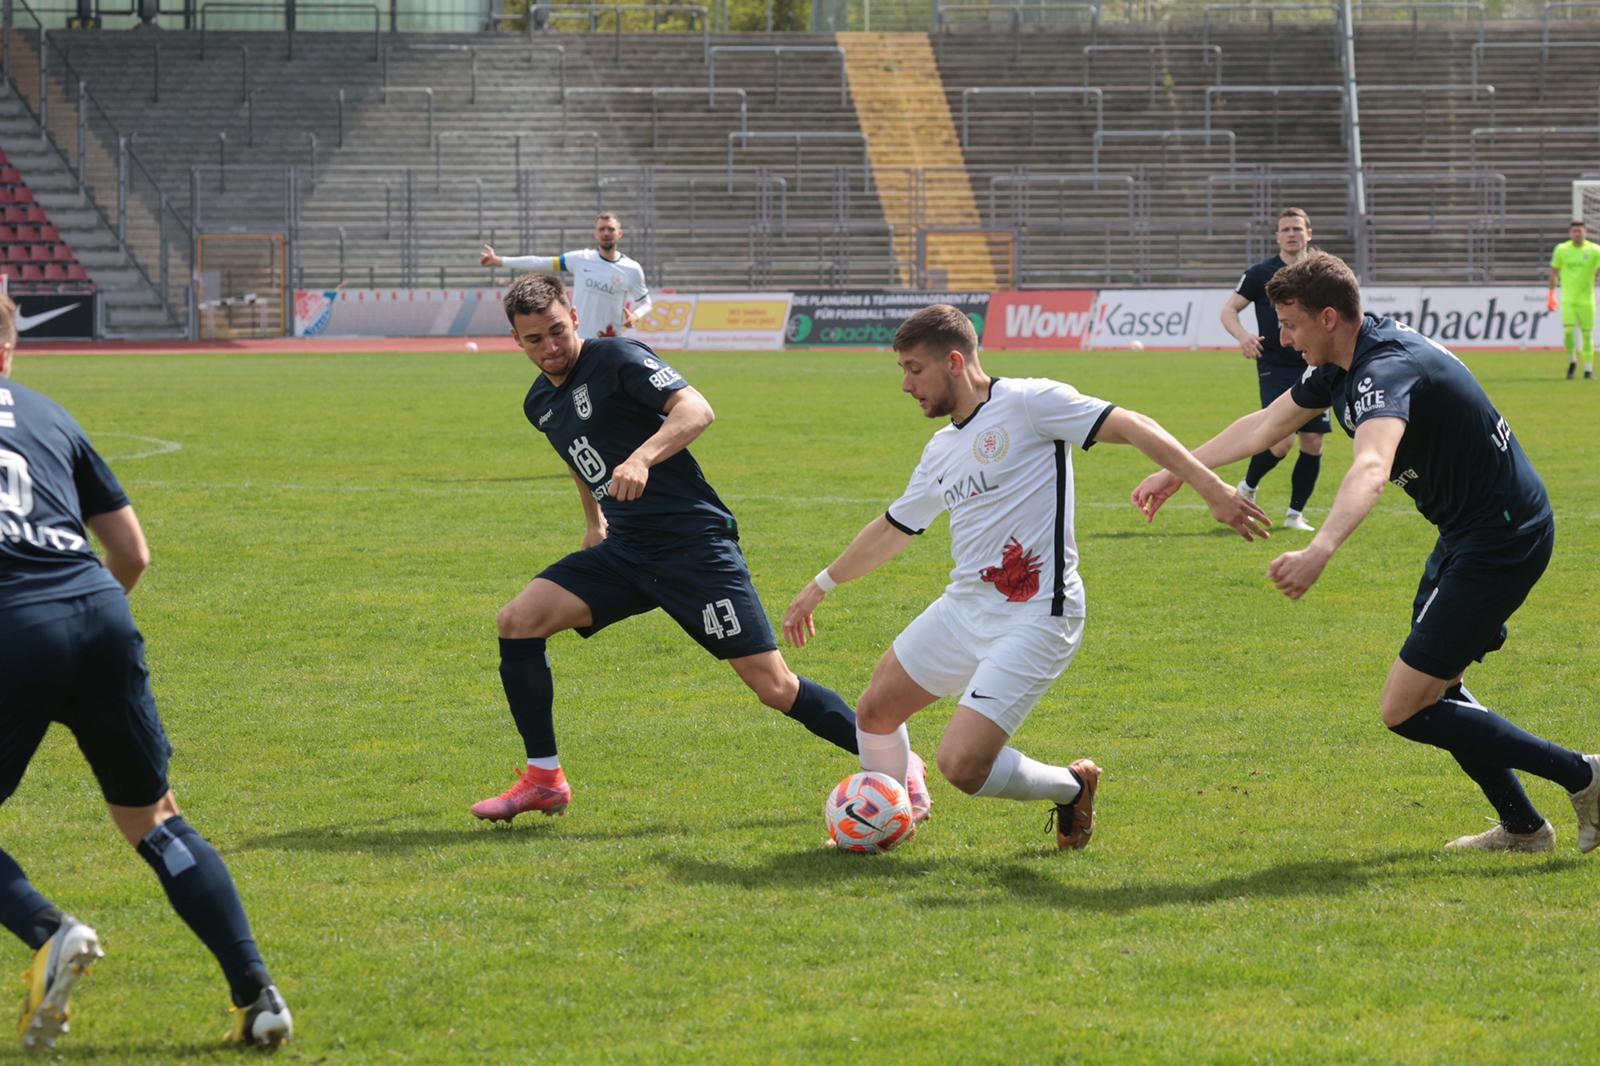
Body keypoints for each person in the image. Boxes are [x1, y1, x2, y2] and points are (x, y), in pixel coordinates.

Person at [1133, 251, 1600, 854]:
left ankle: (1584, 776)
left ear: (1329, 318)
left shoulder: (1385, 370)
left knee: (1405, 708)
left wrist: (1320, 548)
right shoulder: (1341, 361)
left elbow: (1373, 467)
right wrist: (1184, 472)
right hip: (1468, 532)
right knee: (1437, 691)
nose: (1281, 337)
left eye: (1292, 324)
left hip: (1502, 537)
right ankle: (1523, 828)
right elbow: (1264, 426)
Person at [781, 305, 1268, 850]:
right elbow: (896, 527)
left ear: (956, 361)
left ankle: (1071, 787)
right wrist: (821, 584)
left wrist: (1211, 489)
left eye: (914, 369)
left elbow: (1133, 425)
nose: (905, 384)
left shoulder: (1031, 403)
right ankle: (890, 821)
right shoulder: (941, 448)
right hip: (965, 607)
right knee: (875, 710)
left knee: (961, 765)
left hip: (1038, 615)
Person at [471, 274, 930, 823]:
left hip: (693, 549)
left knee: (774, 686)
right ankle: (544, 779)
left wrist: (642, 457)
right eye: (534, 340)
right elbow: (577, 453)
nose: (550, 348)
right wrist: (594, 522)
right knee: (518, 620)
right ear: (515, 341)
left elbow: (696, 410)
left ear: (572, 315)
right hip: (627, 553)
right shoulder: (539, 401)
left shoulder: (617, 357)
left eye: (556, 331)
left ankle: (903, 766)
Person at [0, 293, 291, 1049]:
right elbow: (133, 554)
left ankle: (47, 932)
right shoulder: (49, 413)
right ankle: (257, 994)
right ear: (8, 350)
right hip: (99, 610)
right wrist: (84, 631)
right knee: (153, 820)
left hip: (11, 625)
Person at [1220, 207, 1329, 532]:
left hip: (1316, 365)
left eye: (1297, 228)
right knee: (1280, 441)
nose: (1292, 234)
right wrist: (1243, 337)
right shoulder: (1260, 273)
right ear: (1277, 236)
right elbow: (1229, 310)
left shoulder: (1321, 272)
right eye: (1285, 229)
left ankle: (1295, 515)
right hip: (1275, 367)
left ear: (1309, 233)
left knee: (1313, 442)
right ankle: (1248, 487)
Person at [480, 212, 652, 340]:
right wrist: (499, 260)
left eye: (611, 229)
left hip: (610, 339)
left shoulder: (631, 268)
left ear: (619, 234)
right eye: (602, 229)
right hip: (577, 338)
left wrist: (635, 315)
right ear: (596, 234)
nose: (606, 233)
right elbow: (539, 262)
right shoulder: (580, 259)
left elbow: (646, 302)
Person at [1548, 220, 1600, 380]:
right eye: (1574, 231)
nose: (1577, 234)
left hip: (1587, 301)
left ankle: (1588, 370)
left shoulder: (1595, 250)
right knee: (1569, 333)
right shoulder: (1562, 250)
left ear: (1585, 232)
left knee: (1587, 335)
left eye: (1580, 231)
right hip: (1568, 300)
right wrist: (1551, 294)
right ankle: (1572, 361)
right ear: (1570, 233)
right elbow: (1554, 272)